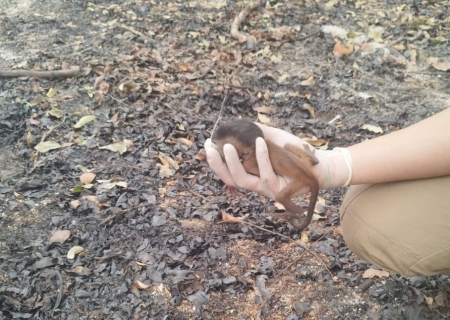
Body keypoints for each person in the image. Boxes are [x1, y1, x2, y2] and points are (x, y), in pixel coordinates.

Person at [205, 107, 450, 277]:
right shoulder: (263, 150)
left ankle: (295, 211)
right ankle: (314, 167)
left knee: (281, 196)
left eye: (241, 155)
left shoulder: (260, 159)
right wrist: (331, 165)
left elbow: (261, 172)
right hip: (306, 163)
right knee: (361, 208)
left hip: (300, 178)